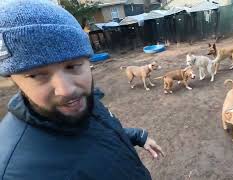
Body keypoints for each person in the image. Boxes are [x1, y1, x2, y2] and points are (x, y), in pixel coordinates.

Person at [0, 0, 164, 179]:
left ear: (88, 62)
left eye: (73, 66)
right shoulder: (18, 173)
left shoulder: (86, 100)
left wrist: (139, 137)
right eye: (37, 75)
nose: (67, 90)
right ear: (13, 79)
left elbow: (100, 133)